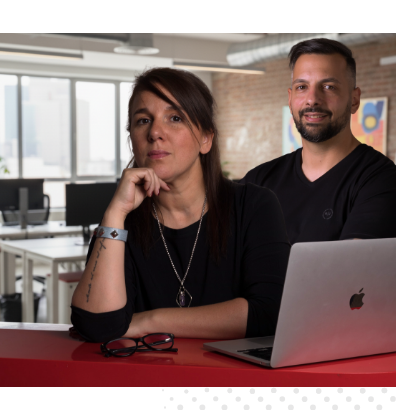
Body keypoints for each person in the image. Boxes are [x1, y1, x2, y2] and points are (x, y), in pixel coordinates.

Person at [70, 68, 291, 343]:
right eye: (143, 120)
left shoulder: (254, 206)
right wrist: (115, 213)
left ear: (206, 139)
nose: (155, 132)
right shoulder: (122, 223)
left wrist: (149, 321)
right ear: (132, 140)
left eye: (175, 118)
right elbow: (96, 326)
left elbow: (270, 313)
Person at [241, 38, 396, 245]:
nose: (313, 99)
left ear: (354, 99)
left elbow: (351, 265)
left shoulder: (382, 183)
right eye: (302, 87)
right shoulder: (258, 181)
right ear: (290, 99)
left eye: (328, 86)